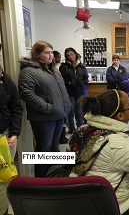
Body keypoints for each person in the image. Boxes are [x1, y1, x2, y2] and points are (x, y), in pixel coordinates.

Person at [18, 40, 71, 177]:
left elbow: (62, 90)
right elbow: (26, 93)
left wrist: (66, 107)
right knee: (44, 149)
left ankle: (54, 176)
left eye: (51, 52)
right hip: (43, 118)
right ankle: (41, 181)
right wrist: (47, 108)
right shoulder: (28, 71)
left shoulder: (53, 70)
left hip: (58, 115)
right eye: (46, 52)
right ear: (37, 54)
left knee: (55, 147)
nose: (51, 55)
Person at [0, 43, 23, 215]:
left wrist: (14, 133)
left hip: (6, 137)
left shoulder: (6, 80)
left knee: (4, 178)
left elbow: (16, 107)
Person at [59, 48, 88, 134]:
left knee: (79, 111)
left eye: (72, 54)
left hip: (80, 91)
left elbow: (86, 78)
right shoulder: (63, 67)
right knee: (70, 111)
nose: (71, 57)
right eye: (68, 56)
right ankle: (72, 128)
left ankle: (80, 129)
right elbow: (61, 79)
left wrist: (83, 82)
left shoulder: (82, 66)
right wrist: (69, 82)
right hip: (69, 92)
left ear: (75, 54)